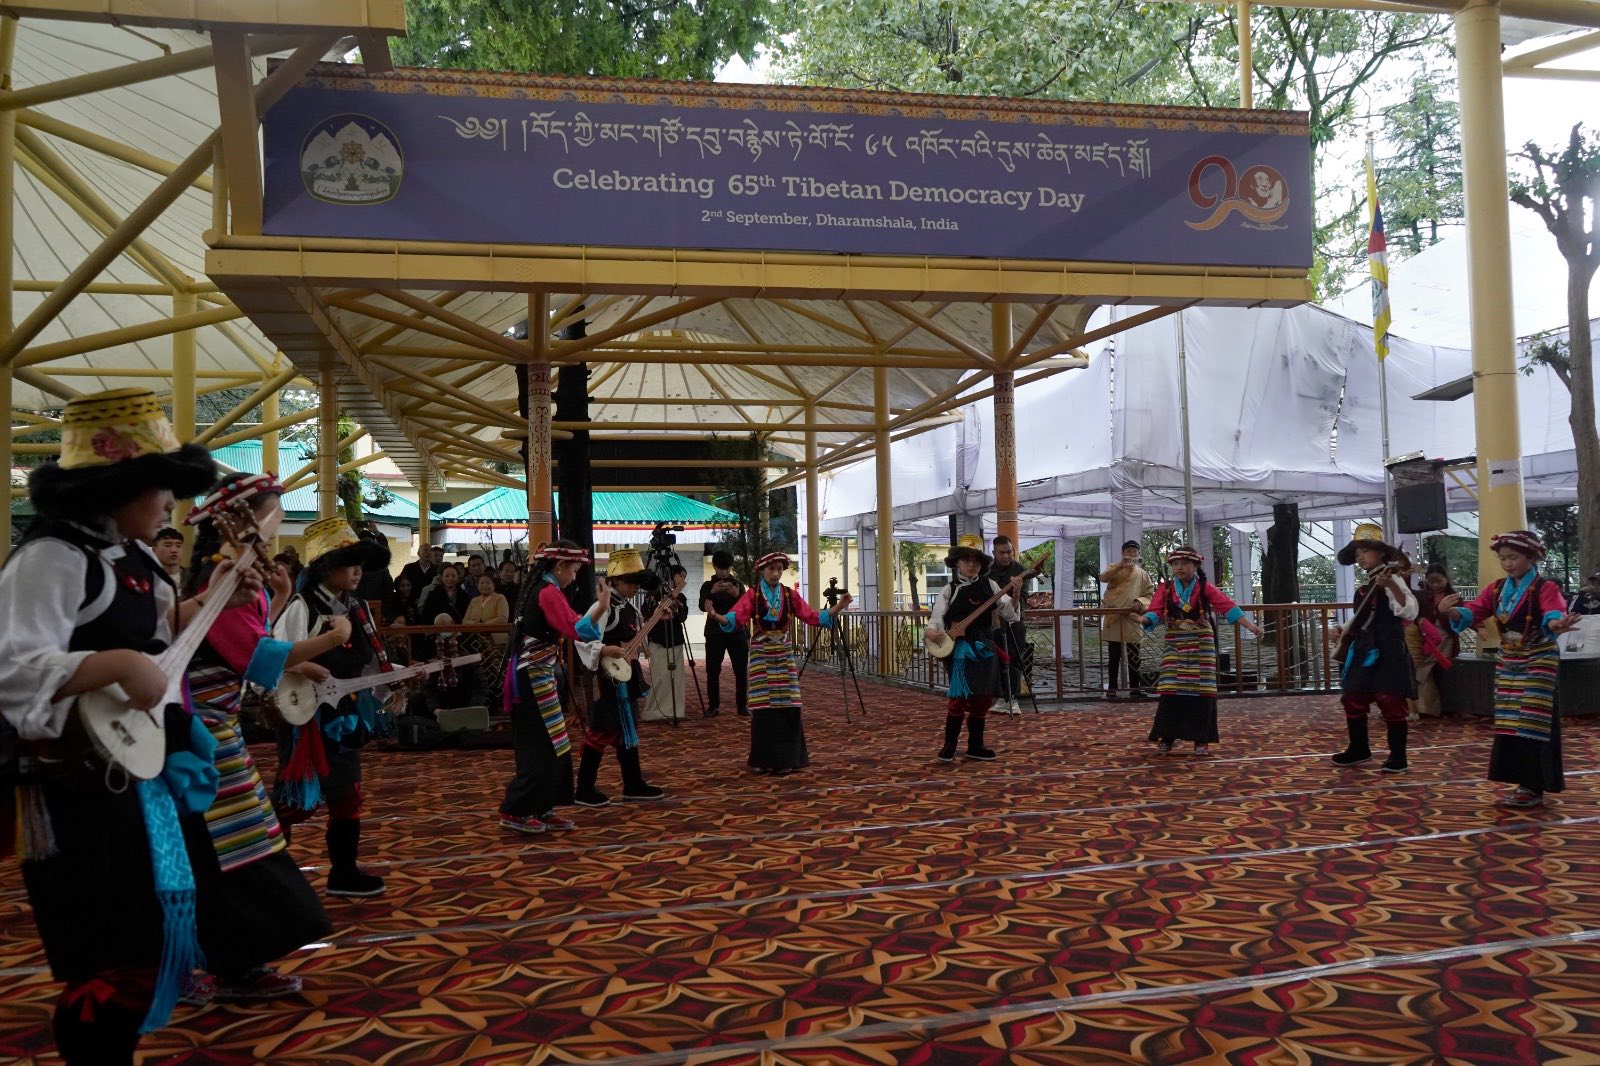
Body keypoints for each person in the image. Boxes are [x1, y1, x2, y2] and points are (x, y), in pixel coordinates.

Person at [0, 387, 241, 1064]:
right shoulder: (51, 557)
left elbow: (156, 646)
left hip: (130, 774)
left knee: (139, 941)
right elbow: (10, 667)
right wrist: (113, 664)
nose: (169, 505)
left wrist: (215, 601)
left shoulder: (137, 561)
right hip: (72, 786)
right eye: (161, 487)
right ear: (121, 487)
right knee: (103, 956)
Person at [179, 472, 335, 1003]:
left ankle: (232, 961)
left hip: (215, 729)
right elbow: (257, 656)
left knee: (239, 846)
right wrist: (330, 639)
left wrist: (281, 594)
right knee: (234, 849)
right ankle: (231, 963)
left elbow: (251, 644)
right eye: (273, 513)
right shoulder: (218, 578)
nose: (277, 524)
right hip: (205, 733)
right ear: (244, 519)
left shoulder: (229, 576)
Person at [271, 517, 396, 898]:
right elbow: (274, 658)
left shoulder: (358, 608)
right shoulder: (301, 606)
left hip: (345, 713)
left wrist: (398, 679)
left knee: (347, 794)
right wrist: (305, 666)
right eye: (348, 563)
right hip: (306, 716)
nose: (357, 572)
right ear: (325, 567)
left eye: (360, 564)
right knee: (295, 801)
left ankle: (344, 872)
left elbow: (369, 664)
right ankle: (266, 876)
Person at [1440, 530, 1581, 809]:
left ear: (1531, 557)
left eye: (1513, 557)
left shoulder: (1545, 587)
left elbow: (1554, 612)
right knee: (1509, 720)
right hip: (1509, 660)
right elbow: (1474, 611)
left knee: (1532, 720)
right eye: (1503, 558)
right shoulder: (1496, 589)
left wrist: (1555, 624)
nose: (1507, 563)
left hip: (1539, 658)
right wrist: (1451, 612)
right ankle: (1521, 782)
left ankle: (1533, 785)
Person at [499, 541, 614, 833]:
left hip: (540, 675)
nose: (574, 577)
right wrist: (601, 607)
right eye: (573, 570)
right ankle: (516, 809)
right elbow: (575, 628)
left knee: (555, 743)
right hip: (532, 677)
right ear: (560, 565)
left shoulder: (546, 589)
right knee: (540, 744)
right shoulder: (548, 592)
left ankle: (542, 805)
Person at [713, 551, 849, 774]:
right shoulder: (753, 595)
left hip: (784, 653)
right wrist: (716, 615)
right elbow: (735, 617)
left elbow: (811, 616)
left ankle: (789, 758)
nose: (775, 574)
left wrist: (839, 606)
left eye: (779, 569)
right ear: (762, 571)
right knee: (763, 705)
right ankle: (764, 759)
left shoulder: (789, 595)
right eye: (771, 569)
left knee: (788, 702)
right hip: (761, 653)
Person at [1142, 547, 1262, 757]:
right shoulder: (1166, 588)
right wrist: (1144, 619)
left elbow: (1227, 606)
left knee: (1203, 690)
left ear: (1195, 566)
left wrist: (1250, 626)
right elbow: (1155, 610)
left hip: (1201, 641)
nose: (1179, 568)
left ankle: (1201, 739)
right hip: (1175, 642)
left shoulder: (1205, 587)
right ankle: (1167, 736)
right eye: (1175, 564)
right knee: (1170, 688)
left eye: (1184, 564)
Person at [574, 549, 665, 804]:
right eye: (629, 581)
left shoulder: (628, 607)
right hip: (604, 678)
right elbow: (582, 639)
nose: (635, 587)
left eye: (637, 582)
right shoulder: (602, 607)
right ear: (613, 581)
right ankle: (584, 788)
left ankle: (633, 783)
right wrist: (604, 650)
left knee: (627, 730)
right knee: (602, 730)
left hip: (624, 676)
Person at [1329, 523, 1417, 773]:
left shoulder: (1393, 578)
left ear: (1381, 553)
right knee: (1353, 697)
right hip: (1365, 647)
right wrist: (1342, 628)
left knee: (1390, 700)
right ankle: (1359, 749)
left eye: (1365, 551)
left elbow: (1409, 611)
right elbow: (1364, 616)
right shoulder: (1365, 586)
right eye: (1357, 553)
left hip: (1388, 648)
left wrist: (1391, 586)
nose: (1360, 557)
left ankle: (1398, 756)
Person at [924, 535, 1020, 762]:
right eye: (966, 560)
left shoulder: (991, 585)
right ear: (957, 562)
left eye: (976, 560)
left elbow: (1009, 614)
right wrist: (930, 632)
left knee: (983, 697)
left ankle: (975, 746)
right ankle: (949, 745)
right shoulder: (949, 589)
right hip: (958, 648)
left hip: (985, 646)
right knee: (959, 697)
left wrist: (1016, 593)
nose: (971, 564)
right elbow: (936, 620)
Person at [1099, 540, 1154, 699]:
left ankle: (1135, 688)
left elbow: (1149, 593)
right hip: (1114, 615)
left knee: (1134, 654)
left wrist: (1140, 602)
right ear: (1123, 553)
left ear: (1139, 554)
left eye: (1134, 551)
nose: (1131, 554)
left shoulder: (1143, 574)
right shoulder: (1113, 567)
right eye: (1128, 551)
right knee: (1113, 655)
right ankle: (1112, 687)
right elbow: (1103, 578)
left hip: (1132, 617)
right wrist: (1120, 565)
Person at [700, 550, 749, 718]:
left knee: (741, 670)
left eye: (727, 569)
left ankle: (742, 706)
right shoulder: (708, 585)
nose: (724, 572)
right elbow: (701, 605)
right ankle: (713, 706)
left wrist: (737, 595)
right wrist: (712, 592)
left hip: (737, 632)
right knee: (713, 670)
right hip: (714, 632)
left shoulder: (738, 584)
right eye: (720, 569)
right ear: (714, 567)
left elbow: (746, 607)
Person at [640, 564, 690, 723]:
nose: (683, 579)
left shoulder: (680, 597)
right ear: (671, 576)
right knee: (660, 677)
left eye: (684, 577)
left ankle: (676, 711)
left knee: (677, 678)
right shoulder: (653, 594)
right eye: (680, 576)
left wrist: (676, 609)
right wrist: (659, 609)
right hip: (658, 639)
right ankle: (655, 711)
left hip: (676, 640)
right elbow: (645, 613)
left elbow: (683, 618)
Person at [987, 535, 1030, 715]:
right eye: (1002, 553)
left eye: (1009, 552)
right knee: (996, 660)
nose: (1006, 556)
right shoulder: (987, 571)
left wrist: (1017, 591)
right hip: (992, 622)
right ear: (994, 553)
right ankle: (1001, 697)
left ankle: (1013, 699)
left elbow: (1023, 600)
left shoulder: (1021, 570)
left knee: (1014, 660)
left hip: (1015, 621)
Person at [1409, 562, 1459, 718]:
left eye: (1439, 581)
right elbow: (1407, 594)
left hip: (1446, 639)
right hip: (1427, 638)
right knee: (1424, 669)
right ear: (1427, 580)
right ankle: (1426, 706)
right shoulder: (1423, 596)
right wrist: (1407, 574)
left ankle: (1430, 706)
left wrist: (1479, 626)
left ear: (1446, 579)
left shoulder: (1453, 597)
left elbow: (1465, 614)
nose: (1436, 585)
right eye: (1431, 581)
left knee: (1426, 670)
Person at [464, 571, 510, 646]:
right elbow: (465, 621)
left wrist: (483, 625)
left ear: (493, 585)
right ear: (477, 585)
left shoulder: (500, 598)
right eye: (481, 583)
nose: (484, 585)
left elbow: (502, 618)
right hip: (474, 640)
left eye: (488, 583)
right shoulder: (474, 600)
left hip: (497, 641)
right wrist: (475, 624)